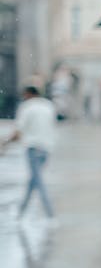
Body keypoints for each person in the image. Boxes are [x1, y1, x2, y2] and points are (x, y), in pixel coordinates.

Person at [2, 81, 57, 218]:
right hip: (46, 148)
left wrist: (5, 143)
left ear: (29, 94)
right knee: (34, 180)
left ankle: (50, 214)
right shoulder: (48, 106)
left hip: (33, 148)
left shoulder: (26, 107)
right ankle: (21, 211)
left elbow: (19, 132)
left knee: (38, 181)